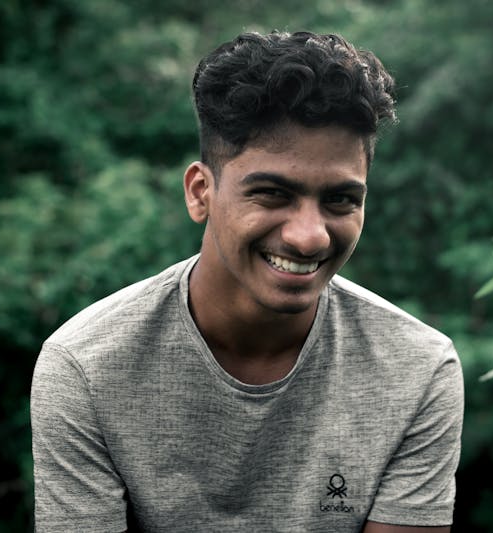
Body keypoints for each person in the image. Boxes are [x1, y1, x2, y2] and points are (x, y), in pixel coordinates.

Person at [31, 30, 464, 532]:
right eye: (273, 194)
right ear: (200, 193)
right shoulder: (86, 367)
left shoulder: (417, 369)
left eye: (341, 200)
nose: (309, 237)